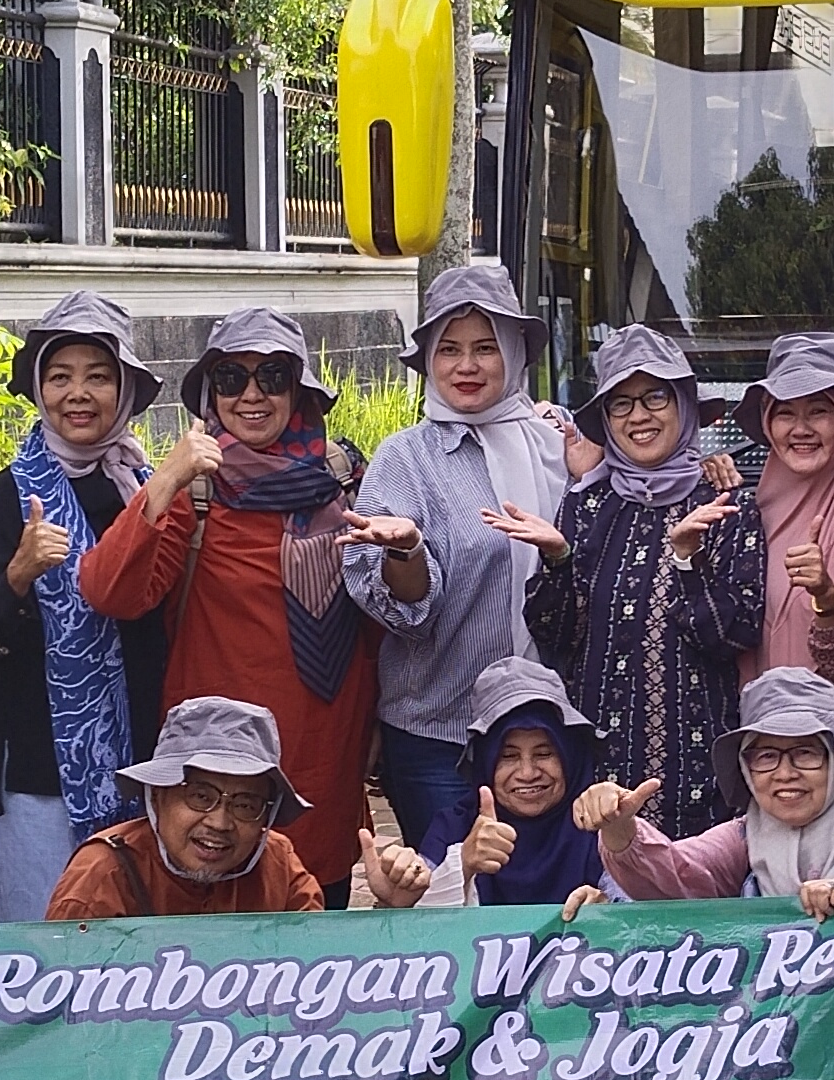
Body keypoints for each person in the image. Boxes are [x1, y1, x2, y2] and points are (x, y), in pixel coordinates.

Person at [79, 308, 390, 904]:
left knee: (312, 933)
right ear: (208, 392)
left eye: (272, 376)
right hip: (212, 766)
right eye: (231, 379)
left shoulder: (346, 477)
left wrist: (375, 724)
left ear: (299, 390)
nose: (252, 395)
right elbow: (108, 590)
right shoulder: (197, 491)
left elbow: (374, 619)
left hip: (324, 753)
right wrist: (164, 479)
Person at [348, 263, 568, 862]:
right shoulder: (407, 458)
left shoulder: (556, 447)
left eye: (484, 348)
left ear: (515, 354)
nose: (466, 367)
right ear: (428, 363)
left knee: (543, 891)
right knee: (452, 889)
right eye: (448, 350)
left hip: (545, 728)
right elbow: (406, 613)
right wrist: (406, 551)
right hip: (440, 731)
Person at [0, 291, 172, 922]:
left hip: (135, 758)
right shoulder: (6, 498)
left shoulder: (144, 489)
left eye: (98, 376)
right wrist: (21, 571)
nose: (78, 394)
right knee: (36, 945)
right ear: (38, 391)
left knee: (122, 955)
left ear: (126, 392)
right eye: (60, 377)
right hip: (33, 762)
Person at [506, 324, 759, 839]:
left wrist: (688, 564)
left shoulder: (727, 504)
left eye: (654, 397)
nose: (639, 416)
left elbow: (734, 634)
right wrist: (557, 558)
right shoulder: (586, 504)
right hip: (602, 769)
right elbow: (556, 638)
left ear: (684, 405)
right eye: (620, 404)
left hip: (701, 773)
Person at [589, 666, 834, 918]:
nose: (784, 774)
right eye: (766, 757)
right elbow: (673, 878)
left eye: (805, 753)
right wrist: (620, 829)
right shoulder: (747, 836)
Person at [46, 697, 430, 920]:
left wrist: (389, 910)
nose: (219, 821)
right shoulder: (101, 875)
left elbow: (322, 979)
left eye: (246, 804)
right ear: (157, 797)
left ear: (267, 817)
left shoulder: (279, 865)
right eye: (200, 796)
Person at [736, 329, 834, 698]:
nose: (801, 429)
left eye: (819, 410)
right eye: (785, 412)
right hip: (764, 735)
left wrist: (827, 597)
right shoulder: (747, 507)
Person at [415, 656, 614, 912]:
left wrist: (609, 908)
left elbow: (646, 917)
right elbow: (416, 930)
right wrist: (462, 865)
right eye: (508, 756)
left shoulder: (601, 825)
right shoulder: (454, 828)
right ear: (485, 764)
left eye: (544, 753)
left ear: (569, 756)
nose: (528, 773)